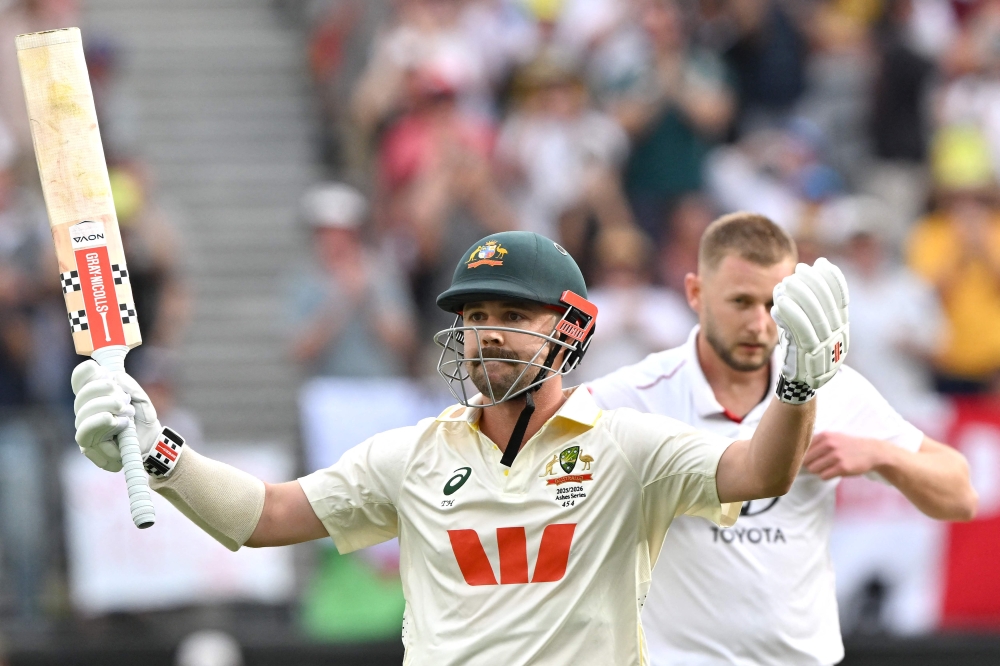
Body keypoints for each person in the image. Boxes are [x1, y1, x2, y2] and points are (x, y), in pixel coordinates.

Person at [72, 230, 847, 665]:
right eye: (474, 313)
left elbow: (756, 470)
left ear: (571, 328)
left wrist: (798, 388)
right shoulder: (413, 455)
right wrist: (157, 452)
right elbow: (268, 515)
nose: (486, 332)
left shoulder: (630, 447)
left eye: (512, 312)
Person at [586, 212, 977, 666]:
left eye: (774, 305)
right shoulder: (633, 394)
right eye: (740, 302)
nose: (759, 323)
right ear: (695, 293)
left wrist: (880, 454)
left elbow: (961, 495)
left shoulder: (833, 388)